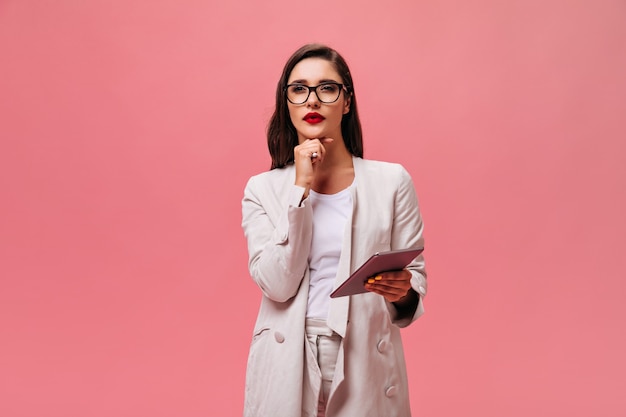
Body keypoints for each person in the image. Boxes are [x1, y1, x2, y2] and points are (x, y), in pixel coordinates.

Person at [241, 44, 427, 417]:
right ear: (287, 103)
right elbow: (277, 284)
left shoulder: (391, 181)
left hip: (363, 356)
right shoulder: (262, 189)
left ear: (346, 101)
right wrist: (300, 189)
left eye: (327, 88)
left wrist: (401, 291)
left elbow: (414, 283)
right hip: (288, 355)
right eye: (299, 89)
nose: (313, 100)